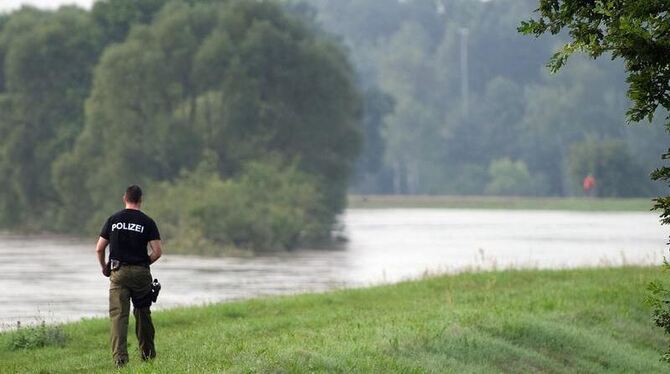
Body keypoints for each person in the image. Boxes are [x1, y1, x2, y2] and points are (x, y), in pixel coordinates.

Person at [95, 185, 162, 368]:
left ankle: (120, 360)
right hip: (141, 273)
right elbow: (157, 252)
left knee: (119, 316)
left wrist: (104, 268)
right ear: (141, 199)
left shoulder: (113, 219)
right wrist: (143, 263)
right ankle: (147, 356)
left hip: (118, 272)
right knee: (143, 314)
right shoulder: (148, 222)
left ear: (124, 198)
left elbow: (99, 248)